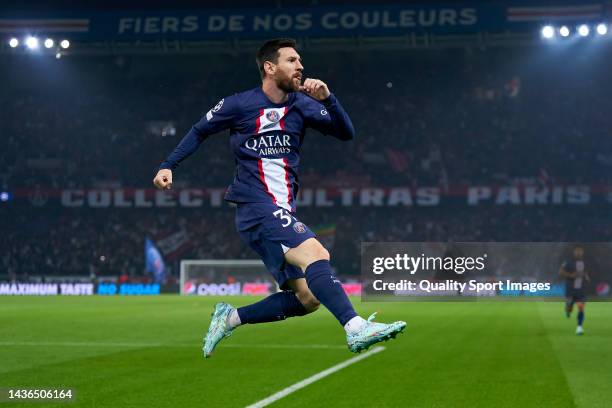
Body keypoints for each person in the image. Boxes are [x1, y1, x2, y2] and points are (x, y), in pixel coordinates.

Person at [153, 38, 405, 357]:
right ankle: (356, 328)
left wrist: (329, 99)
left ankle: (230, 318)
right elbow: (199, 130)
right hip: (256, 206)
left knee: (308, 299)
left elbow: (346, 133)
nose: (300, 66)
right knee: (316, 253)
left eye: (300, 61)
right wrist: (167, 165)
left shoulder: (302, 104)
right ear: (270, 68)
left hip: (281, 209)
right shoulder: (239, 104)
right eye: (292, 60)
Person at [559, 245, 590, 335]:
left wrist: (587, 276)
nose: (578, 252)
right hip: (570, 289)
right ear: (574, 252)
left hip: (581, 290)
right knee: (569, 308)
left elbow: (587, 272)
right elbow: (560, 272)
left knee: (581, 307)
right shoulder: (568, 262)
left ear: (583, 252)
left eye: (580, 251)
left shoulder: (586, 262)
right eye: (577, 251)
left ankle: (579, 327)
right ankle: (568, 309)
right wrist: (571, 275)